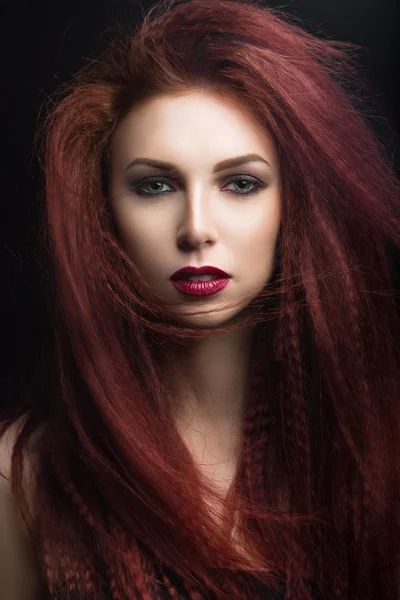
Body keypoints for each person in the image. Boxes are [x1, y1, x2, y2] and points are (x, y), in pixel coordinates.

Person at [2, 0, 400, 598]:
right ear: (104, 210)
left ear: (294, 206)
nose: (196, 228)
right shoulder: (21, 476)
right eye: (154, 185)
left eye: (241, 183)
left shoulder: (375, 456)